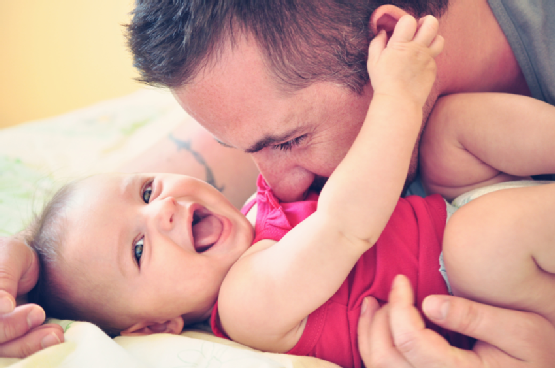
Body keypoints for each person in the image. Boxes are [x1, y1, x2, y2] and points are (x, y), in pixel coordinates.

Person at [1, 0, 554, 365]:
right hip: (468, 264)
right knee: (477, 235)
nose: (283, 186)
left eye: (288, 141)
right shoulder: (245, 302)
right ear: (157, 325)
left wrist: (399, 102)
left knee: (452, 131)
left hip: (471, 213)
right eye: (140, 248)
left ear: (389, 43)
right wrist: (25, 261)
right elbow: (342, 224)